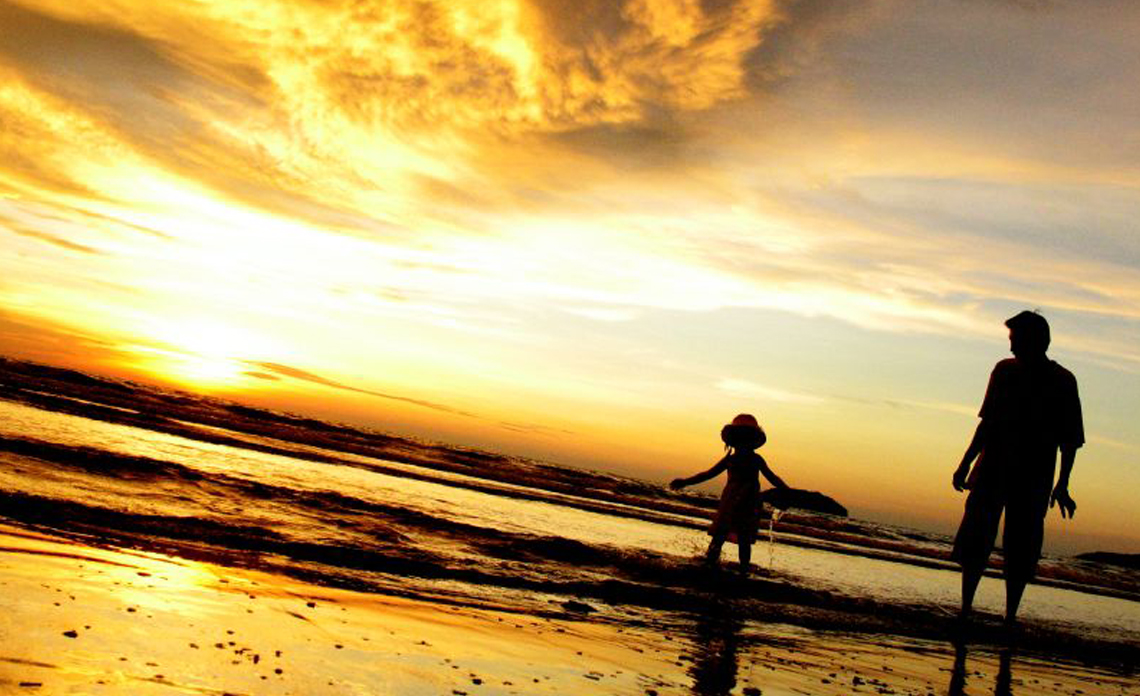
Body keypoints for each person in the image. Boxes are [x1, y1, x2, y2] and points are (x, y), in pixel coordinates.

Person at [951, 310, 1084, 627]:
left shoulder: (1063, 381)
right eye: (1011, 341)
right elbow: (987, 422)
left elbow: (1070, 439)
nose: (1011, 347)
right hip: (991, 469)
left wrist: (1063, 483)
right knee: (975, 541)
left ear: (1038, 341)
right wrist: (965, 463)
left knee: (1021, 549)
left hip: (1033, 477)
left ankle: (1010, 617)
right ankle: (966, 609)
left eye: (1016, 340)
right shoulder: (1003, 371)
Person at [671, 414, 789, 575]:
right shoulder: (734, 459)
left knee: (742, 539)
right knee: (723, 536)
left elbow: (773, 478)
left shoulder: (755, 459)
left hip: (748, 502)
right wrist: (685, 482)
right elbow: (707, 474)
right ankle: (717, 565)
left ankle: (740, 569)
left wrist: (787, 492)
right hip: (734, 501)